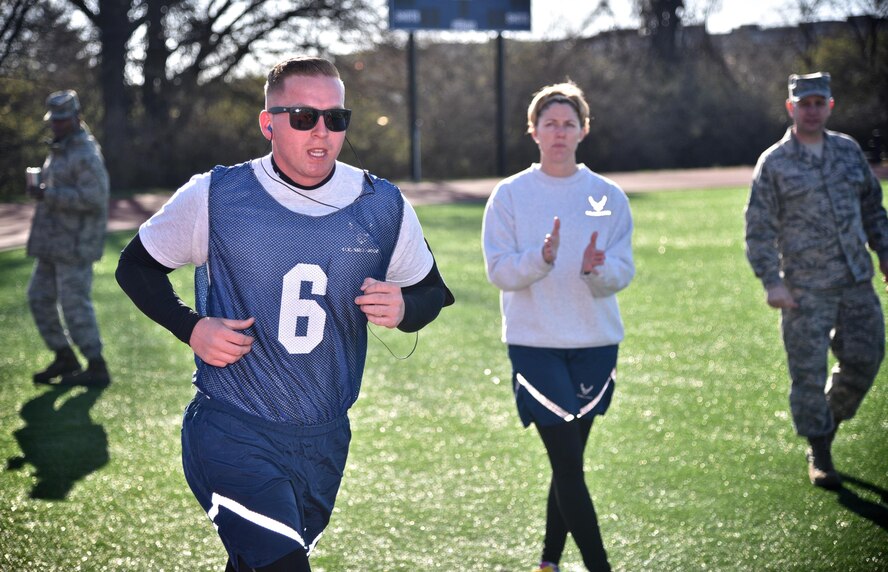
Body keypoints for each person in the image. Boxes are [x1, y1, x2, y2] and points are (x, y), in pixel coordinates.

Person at [115, 56, 453, 572]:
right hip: (233, 429)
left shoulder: (381, 203)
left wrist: (405, 306)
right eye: (303, 117)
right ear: (267, 122)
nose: (322, 132)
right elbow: (135, 267)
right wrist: (192, 326)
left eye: (336, 118)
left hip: (324, 439)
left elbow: (431, 293)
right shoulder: (216, 195)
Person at [482, 81, 634, 572]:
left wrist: (595, 270)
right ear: (533, 131)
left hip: (595, 344)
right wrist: (541, 258)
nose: (560, 132)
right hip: (535, 345)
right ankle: (599, 566)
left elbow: (622, 272)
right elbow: (500, 271)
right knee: (567, 462)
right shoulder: (509, 195)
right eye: (550, 123)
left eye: (569, 123)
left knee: (567, 462)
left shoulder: (607, 196)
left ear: (584, 130)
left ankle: (549, 560)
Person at [745, 72, 888, 490]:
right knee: (807, 374)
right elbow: (758, 228)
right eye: (803, 103)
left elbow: (872, 207)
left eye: (818, 102)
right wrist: (772, 282)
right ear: (791, 108)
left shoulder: (848, 152)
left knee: (866, 357)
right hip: (803, 290)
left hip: (854, 280)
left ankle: (825, 425)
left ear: (830, 105)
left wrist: (884, 251)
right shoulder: (775, 162)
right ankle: (820, 452)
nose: (811, 110)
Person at [27, 89, 111, 387]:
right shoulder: (60, 148)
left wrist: (49, 195)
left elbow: (95, 198)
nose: (57, 125)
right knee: (38, 298)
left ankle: (96, 365)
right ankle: (65, 356)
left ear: (76, 118)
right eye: (54, 120)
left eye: (62, 119)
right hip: (52, 243)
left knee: (75, 305)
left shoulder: (85, 153)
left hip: (75, 244)